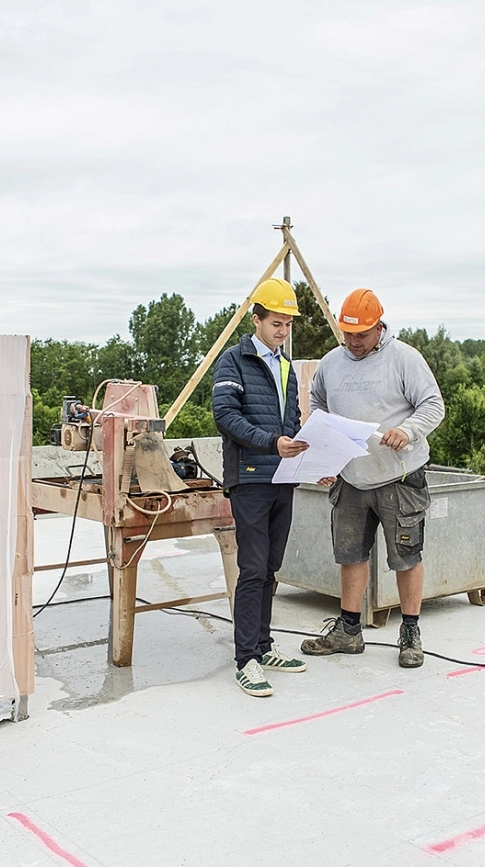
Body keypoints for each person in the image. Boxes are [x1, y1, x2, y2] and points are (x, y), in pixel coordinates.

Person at [300, 288, 445, 667]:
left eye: (361, 335)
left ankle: (410, 632)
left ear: (379, 326)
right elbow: (317, 404)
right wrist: (327, 454)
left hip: (398, 476)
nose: (354, 342)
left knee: (406, 557)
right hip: (351, 475)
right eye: (347, 334)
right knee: (350, 554)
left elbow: (433, 405)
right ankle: (349, 631)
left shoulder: (404, 359)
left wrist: (409, 430)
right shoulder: (331, 363)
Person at [212, 277, 311, 697]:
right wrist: (272, 443)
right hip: (251, 477)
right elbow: (225, 416)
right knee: (251, 569)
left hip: (283, 479)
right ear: (257, 319)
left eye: (287, 324)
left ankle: (264, 647)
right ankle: (246, 659)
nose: (282, 331)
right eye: (276, 322)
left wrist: (310, 457)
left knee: (271, 568)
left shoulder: (286, 366)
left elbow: (292, 421)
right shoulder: (234, 361)